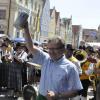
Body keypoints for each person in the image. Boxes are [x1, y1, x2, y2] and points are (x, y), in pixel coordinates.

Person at [21, 22, 83, 100]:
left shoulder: (70, 67)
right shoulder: (46, 58)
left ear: (63, 50)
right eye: (49, 48)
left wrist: (58, 95)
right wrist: (26, 28)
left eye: (54, 49)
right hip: (41, 97)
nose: (51, 51)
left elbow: (76, 91)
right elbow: (31, 47)